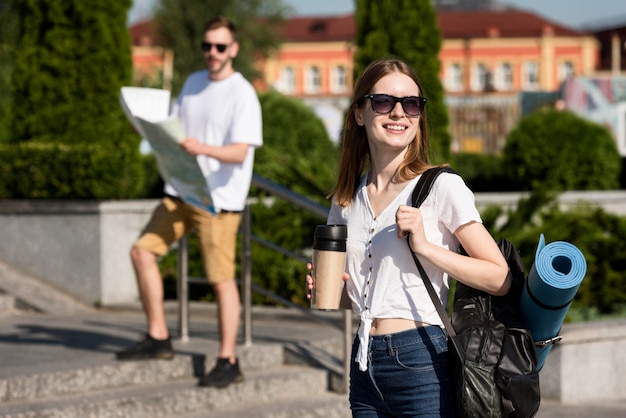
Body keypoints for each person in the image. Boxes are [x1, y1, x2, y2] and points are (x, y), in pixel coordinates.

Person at [306, 58, 510, 417]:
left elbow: (500, 277)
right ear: (359, 113)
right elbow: (365, 295)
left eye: (411, 104)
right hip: (364, 360)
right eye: (384, 102)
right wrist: (329, 293)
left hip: (421, 358)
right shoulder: (347, 198)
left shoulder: (441, 187)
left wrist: (427, 247)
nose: (399, 113)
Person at [116, 16, 263, 390]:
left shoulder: (242, 93)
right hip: (181, 190)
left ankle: (228, 359)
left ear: (233, 49)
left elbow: (240, 151)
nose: (211, 53)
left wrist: (204, 148)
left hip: (219, 201)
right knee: (141, 252)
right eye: (206, 46)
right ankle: (159, 336)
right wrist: (148, 128)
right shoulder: (194, 83)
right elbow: (175, 129)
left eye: (219, 46)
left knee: (221, 281)